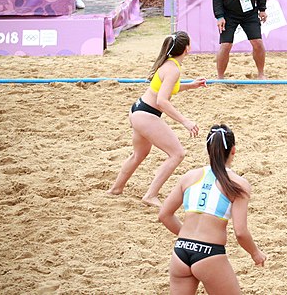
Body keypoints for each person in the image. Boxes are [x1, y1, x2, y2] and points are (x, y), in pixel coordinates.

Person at [158, 125, 267, 293]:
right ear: (233, 150)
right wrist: (255, 253)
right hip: (209, 253)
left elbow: (164, 215)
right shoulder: (237, 184)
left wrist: (189, 238)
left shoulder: (189, 177)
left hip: (181, 251)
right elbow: (240, 232)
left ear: (208, 149)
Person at [108, 31, 205, 207]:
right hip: (147, 115)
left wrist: (191, 86)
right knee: (177, 154)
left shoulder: (169, 64)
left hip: (138, 110)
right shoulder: (173, 69)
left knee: (139, 154)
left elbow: (165, 90)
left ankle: (116, 189)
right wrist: (185, 121)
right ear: (187, 49)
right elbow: (162, 101)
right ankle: (151, 195)